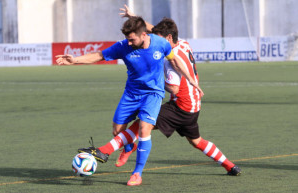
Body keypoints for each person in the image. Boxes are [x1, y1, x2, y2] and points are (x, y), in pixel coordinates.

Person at [88, 6, 241, 186]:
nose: (153, 39)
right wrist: (135, 17)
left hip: (180, 106)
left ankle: (104, 151)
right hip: (193, 107)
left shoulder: (171, 63)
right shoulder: (182, 43)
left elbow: (174, 88)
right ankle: (230, 165)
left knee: (142, 125)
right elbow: (153, 31)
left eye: (158, 37)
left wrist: (156, 79)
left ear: (168, 39)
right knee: (197, 141)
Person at [56, 16, 199, 186]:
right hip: (131, 94)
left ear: (144, 35)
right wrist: (75, 60)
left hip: (153, 94)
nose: (129, 43)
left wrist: (190, 78)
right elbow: (99, 55)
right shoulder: (123, 46)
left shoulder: (160, 44)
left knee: (145, 128)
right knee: (117, 131)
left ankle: (137, 173)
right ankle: (129, 146)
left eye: (132, 39)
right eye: (127, 39)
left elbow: (174, 59)